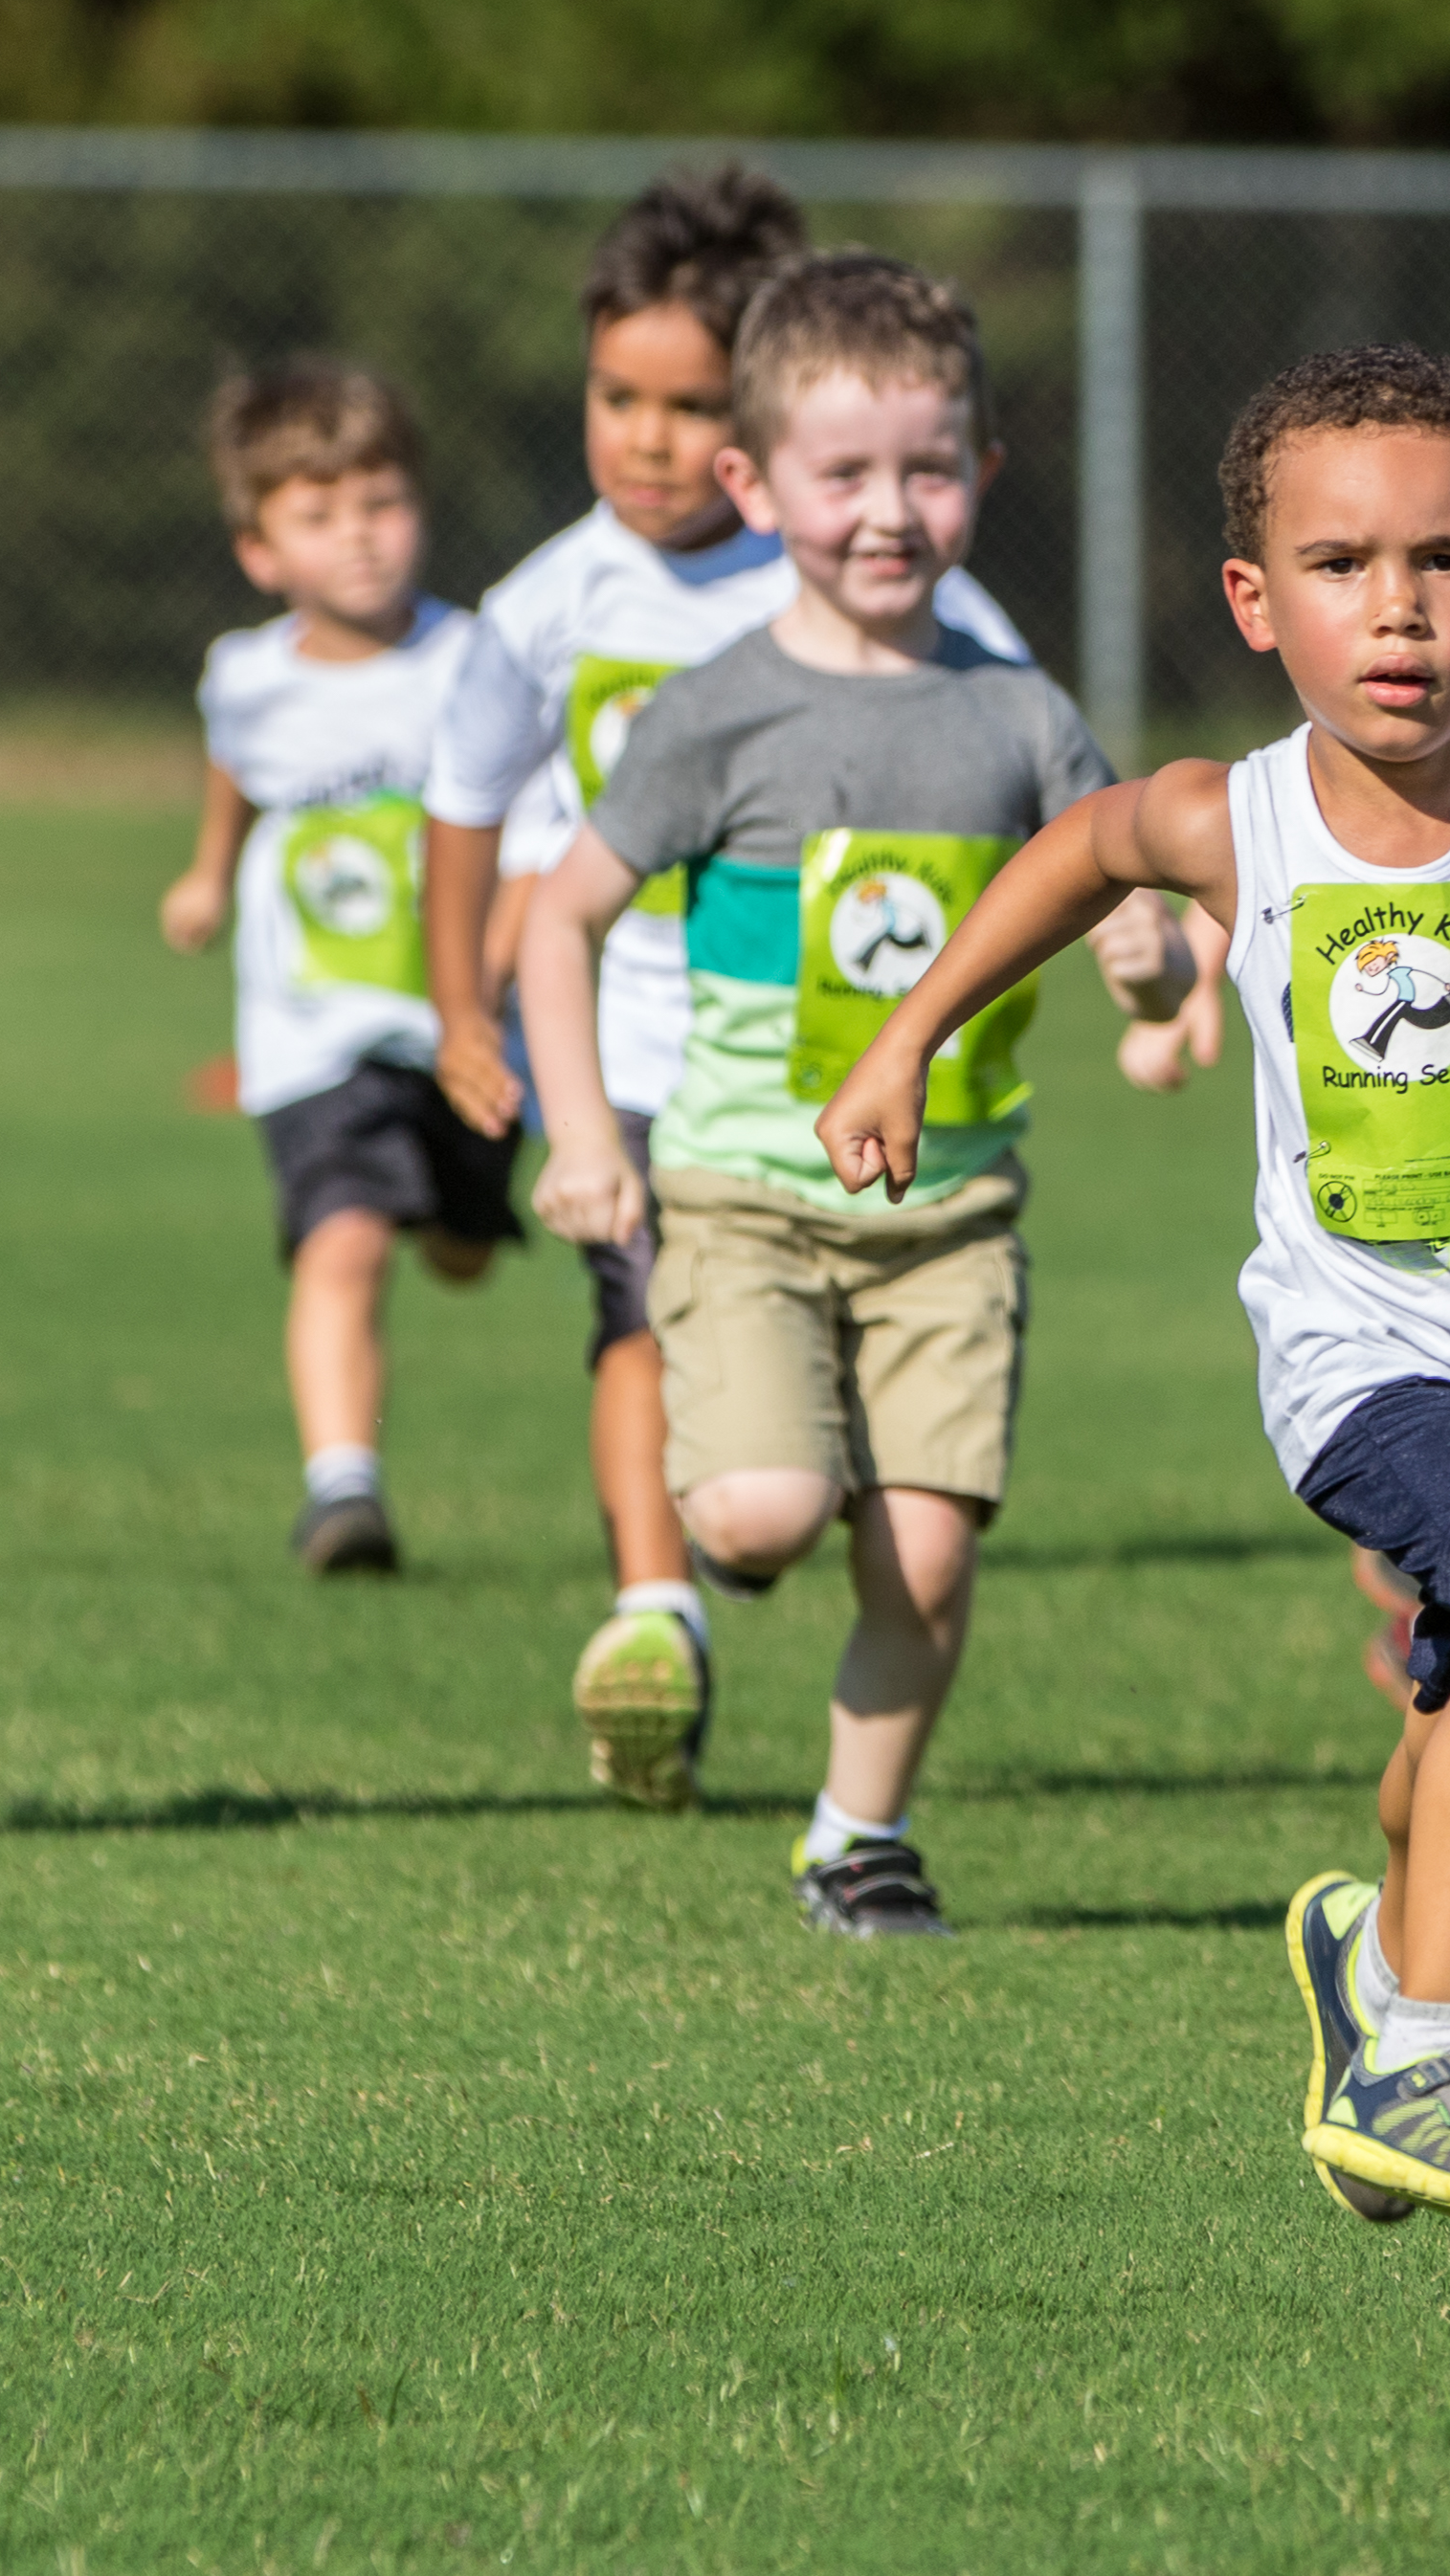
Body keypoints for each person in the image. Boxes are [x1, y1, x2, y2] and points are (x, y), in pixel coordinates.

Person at [808, 344, 1450, 2247]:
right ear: (1256, 601)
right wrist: (911, 1035)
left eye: (1444, 560)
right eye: (1341, 565)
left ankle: (1364, 1955)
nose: (1399, 608)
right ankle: (1434, 2049)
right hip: (1363, 1356)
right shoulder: (1232, 817)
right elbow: (1079, 848)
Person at [515, 252, 1186, 1929]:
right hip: (738, 1192)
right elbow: (564, 913)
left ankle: (856, 1837)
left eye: (929, 469)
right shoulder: (715, 710)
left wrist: (1158, 976)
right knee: (756, 1516)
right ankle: (736, 1490)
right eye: (845, 475)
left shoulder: (1019, 713)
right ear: (754, 484)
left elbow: (1127, 878)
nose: (891, 512)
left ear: (981, 474)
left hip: (951, 1206)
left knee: (933, 1555)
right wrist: (588, 1133)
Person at [422, 168, 1039, 1810]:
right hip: (626, 1033)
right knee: (633, 1301)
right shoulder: (549, 598)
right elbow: (469, 808)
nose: (645, 438)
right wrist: (463, 1013)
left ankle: (760, 1508)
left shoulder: (889, 574)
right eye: (616, 398)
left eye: (688, 406)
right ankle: (659, 1607)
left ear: (753, 438)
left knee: (791, 1374)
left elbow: (1027, 775)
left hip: (860, 1054)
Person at [158, 361, 508, 1577]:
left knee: (463, 1247)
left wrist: (499, 972)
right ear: (261, 550)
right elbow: (236, 765)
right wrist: (210, 870)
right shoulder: (247, 674)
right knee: (343, 1235)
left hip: (465, 1022)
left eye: (381, 503)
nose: (358, 540)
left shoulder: (479, 661)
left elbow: (529, 822)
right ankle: (341, 1489)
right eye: (319, 515)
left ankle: (463, 1214)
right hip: (313, 1030)